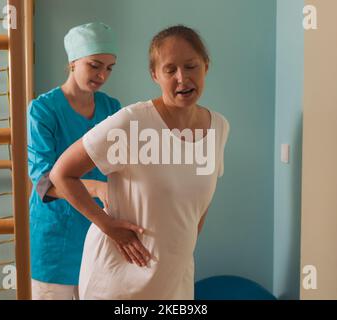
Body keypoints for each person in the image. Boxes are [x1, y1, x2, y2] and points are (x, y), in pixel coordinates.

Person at [50, 25, 230, 299]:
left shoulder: (219, 127)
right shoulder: (133, 122)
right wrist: (106, 225)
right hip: (118, 280)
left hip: (173, 278)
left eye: (191, 66)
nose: (182, 78)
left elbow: (198, 203)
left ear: (206, 66)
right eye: (170, 70)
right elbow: (61, 174)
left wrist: (179, 248)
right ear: (155, 75)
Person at [27, 22, 121, 300]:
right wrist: (94, 188)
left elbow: (123, 165)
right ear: (72, 61)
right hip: (56, 239)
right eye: (94, 65)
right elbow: (44, 181)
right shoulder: (42, 110)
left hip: (102, 230)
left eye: (109, 68)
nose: (102, 75)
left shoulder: (112, 108)